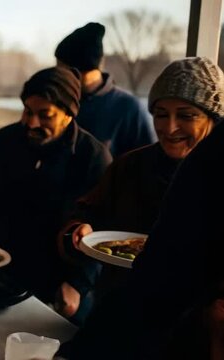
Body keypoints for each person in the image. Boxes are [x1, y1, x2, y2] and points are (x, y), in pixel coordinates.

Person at [55, 56, 224, 323]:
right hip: (122, 313)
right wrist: (81, 230)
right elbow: (89, 213)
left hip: (192, 327)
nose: (169, 128)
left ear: (214, 118)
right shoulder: (130, 165)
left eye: (186, 115)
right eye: (160, 114)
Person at [0, 66, 112, 306]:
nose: (31, 122)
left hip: (63, 284)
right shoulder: (2, 143)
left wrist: (78, 284)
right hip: (4, 272)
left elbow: (101, 229)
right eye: (27, 111)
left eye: (45, 115)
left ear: (69, 114)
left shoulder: (93, 157)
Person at [55, 22, 156, 157]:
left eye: (62, 67)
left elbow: (147, 164)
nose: (58, 73)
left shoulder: (129, 109)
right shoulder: (57, 99)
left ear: (81, 70)